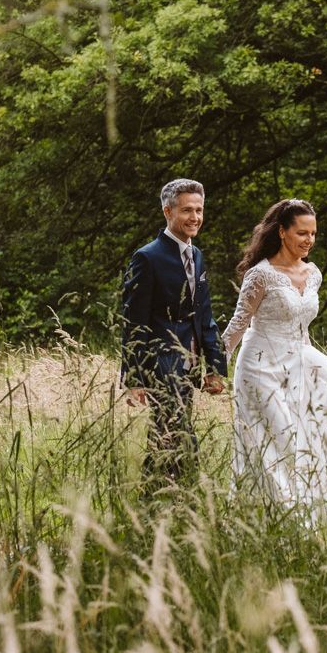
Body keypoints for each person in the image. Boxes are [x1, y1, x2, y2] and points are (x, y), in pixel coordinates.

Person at [222, 199, 327, 516]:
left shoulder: (312, 274)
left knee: (326, 429)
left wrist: (312, 367)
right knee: (279, 440)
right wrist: (214, 367)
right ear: (283, 232)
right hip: (259, 366)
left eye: (313, 234)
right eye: (302, 233)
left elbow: (301, 327)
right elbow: (237, 325)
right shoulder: (260, 275)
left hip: (299, 362)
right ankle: (274, 515)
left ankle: (306, 512)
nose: (309, 240)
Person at [122, 178, 227, 489]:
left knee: (168, 435)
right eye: (186, 210)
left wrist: (214, 367)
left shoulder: (197, 256)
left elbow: (204, 316)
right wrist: (134, 378)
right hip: (161, 361)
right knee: (178, 431)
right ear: (167, 211)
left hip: (190, 362)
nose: (194, 217)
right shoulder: (147, 257)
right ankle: (191, 495)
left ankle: (156, 501)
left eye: (199, 210)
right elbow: (134, 321)